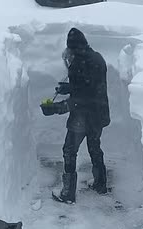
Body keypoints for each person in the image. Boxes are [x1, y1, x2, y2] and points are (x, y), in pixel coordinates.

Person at [44, 28, 110, 204]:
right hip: (99, 114)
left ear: (72, 48)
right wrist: (68, 88)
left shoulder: (77, 64)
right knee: (94, 147)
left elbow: (82, 98)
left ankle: (67, 193)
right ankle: (100, 184)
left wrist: (59, 107)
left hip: (82, 118)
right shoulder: (97, 58)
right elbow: (90, 87)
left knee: (69, 150)